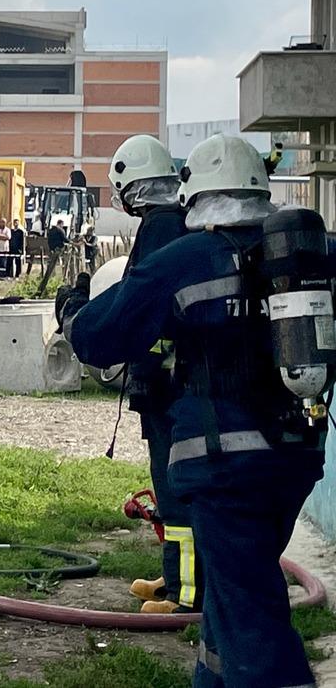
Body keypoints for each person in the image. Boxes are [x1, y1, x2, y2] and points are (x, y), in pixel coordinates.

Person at [59, 135, 326, 687]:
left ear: (195, 193)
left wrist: (72, 309)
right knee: (233, 592)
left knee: (253, 612)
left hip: (223, 466)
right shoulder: (307, 260)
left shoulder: (185, 260)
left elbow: (99, 338)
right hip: (299, 457)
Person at [105, 134, 195, 615]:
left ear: (130, 181)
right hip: (167, 382)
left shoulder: (161, 226)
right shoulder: (171, 222)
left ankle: (186, 596)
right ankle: (175, 577)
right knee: (168, 486)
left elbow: (141, 307)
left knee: (177, 490)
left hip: (167, 384)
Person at [37, 219, 68, 295]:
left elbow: (49, 240)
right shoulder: (60, 230)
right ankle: (59, 276)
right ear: (61, 224)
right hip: (59, 248)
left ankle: (52, 276)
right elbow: (64, 239)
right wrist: (71, 242)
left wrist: (51, 248)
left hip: (52, 249)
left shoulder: (51, 230)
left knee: (51, 264)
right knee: (59, 263)